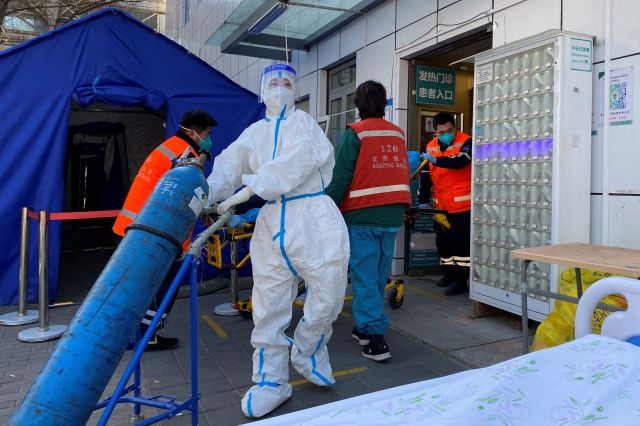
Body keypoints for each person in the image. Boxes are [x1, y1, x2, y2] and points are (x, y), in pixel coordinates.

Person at [207, 63, 349, 418]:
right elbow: (228, 164)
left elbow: (294, 163)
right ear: (262, 90)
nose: (281, 87)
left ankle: (308, 347)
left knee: (329, 292)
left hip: (313, 217)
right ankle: (270, 380)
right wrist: (206, 193)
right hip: (272, 222)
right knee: (268, 305)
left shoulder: (305, 125)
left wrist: (246, 192)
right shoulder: (253, 133)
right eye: (274, 82)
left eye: (288, 82)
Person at [113, 109, 217, 350]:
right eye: (207, 134)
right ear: (193, 133)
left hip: (135, 227)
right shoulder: (185, 156)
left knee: (138, 287)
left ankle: (132, 333)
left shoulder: (170, 147)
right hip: (155, 233)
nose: (210, 139)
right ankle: (145, 336)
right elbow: (184, 196)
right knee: (163, 288)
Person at [325, 80, 411, 362]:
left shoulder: (356, 133)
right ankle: (364, 327)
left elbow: (341, 177)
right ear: (384, 102)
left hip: (362, 214)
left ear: (358, 103)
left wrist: (327, 206)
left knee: (363, 276)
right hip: (392, 215)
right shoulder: (397, 133)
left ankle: (374, 339)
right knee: (377, 274)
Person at [418, 112, 471, 296]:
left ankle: (460, 280)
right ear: (436, 132)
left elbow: (460, 162)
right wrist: (423, 200)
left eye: (449, 130)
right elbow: (425, 176)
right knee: (443, 242)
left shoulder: (467, 142)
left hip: (461, 207)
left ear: (455, 127)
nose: (446, 134)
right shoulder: (431, 146)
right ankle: (448, 274)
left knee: (460, 246)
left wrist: (437, 160)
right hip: (440, 207)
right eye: (441, 132)